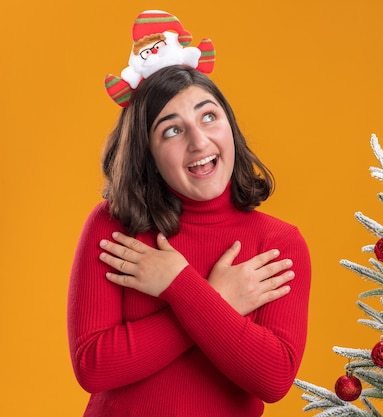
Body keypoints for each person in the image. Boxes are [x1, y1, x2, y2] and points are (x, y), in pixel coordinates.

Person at [67, 42, 311, 416]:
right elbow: (93, 366)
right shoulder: (114, 226)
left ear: (230, 125)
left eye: (209, 117)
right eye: (171, 131)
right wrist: (216, 298)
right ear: (146, 152)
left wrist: (180, 285)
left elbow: (274, 378)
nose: (199, 142)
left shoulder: (277, 243)